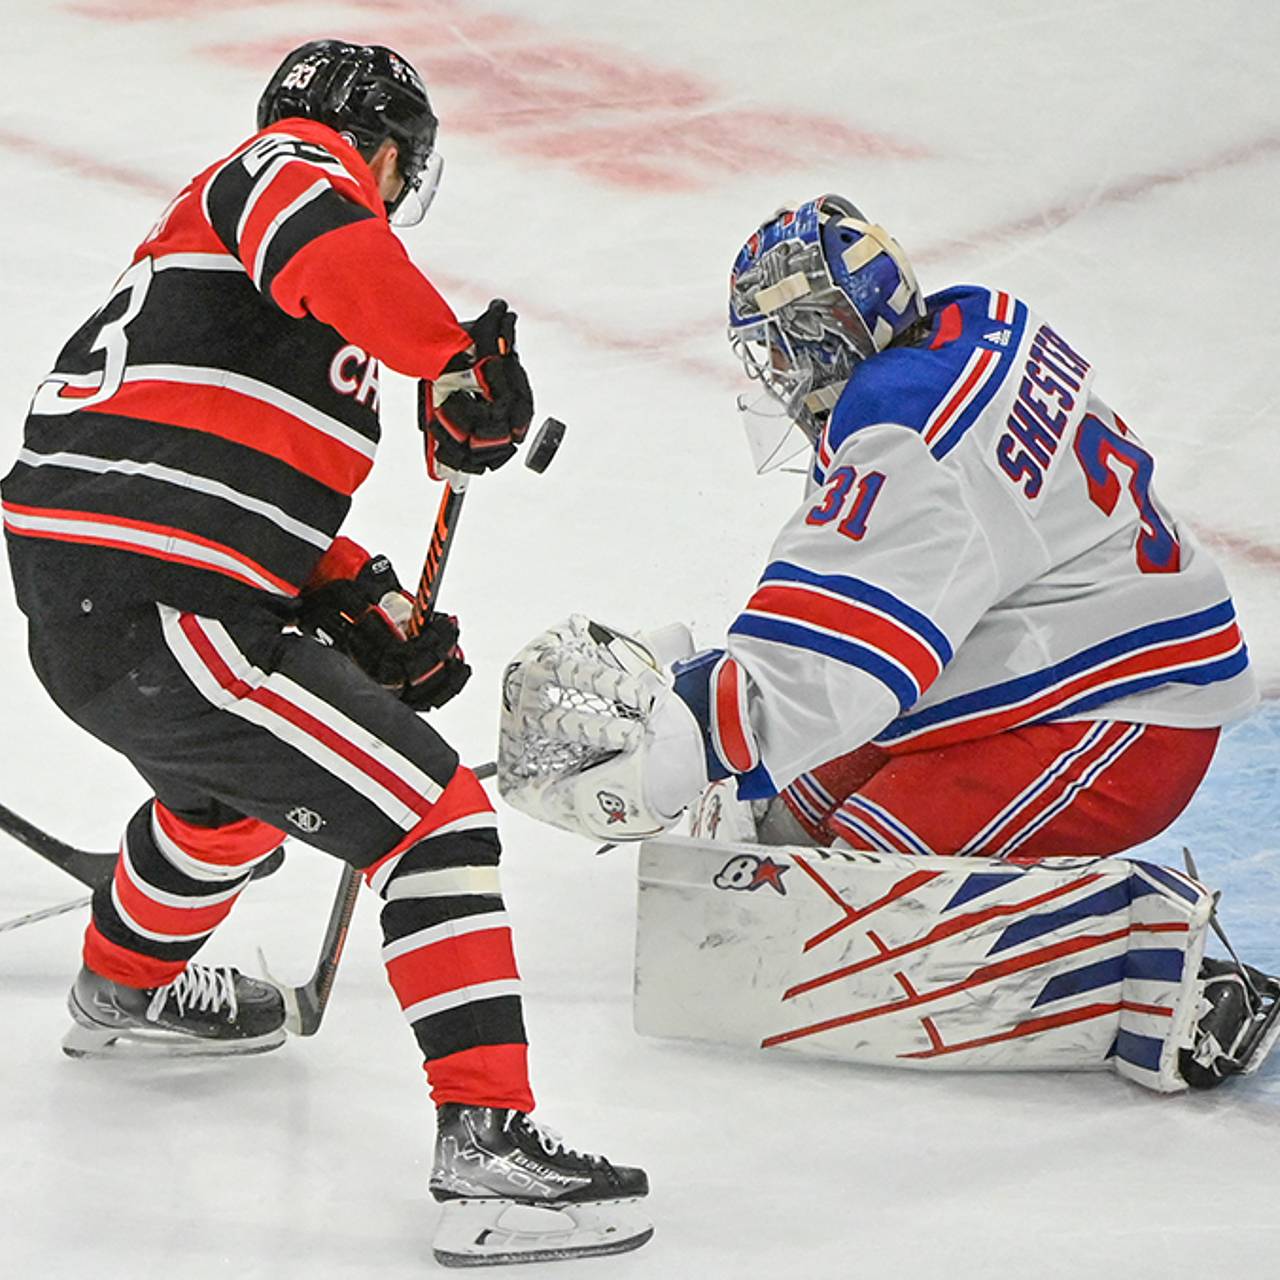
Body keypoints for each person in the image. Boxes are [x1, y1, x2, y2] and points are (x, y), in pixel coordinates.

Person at [0, 40, 649, 1265]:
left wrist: (360, 599)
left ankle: (123, 988)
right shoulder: (292, 168)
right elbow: (340, 253)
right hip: (157, 600)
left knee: (225, 805)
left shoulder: (250, 289)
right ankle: (487, 1149)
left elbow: (215, 470)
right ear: (386, 147)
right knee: (435, 815)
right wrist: (454, 357)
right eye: (398, 167)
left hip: (118, 595)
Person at [495, 193, 1275, 1088]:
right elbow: (874, 579)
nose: (774, 373)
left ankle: (1162, 981)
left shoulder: (911, 433)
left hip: (1128, 714)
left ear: (827, 334)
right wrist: (715, 692)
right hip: (1047, 655)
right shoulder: (957, 333)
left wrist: (698, 730)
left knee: (852, 908)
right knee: (786, 822)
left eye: (779, 347)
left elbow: (842, 661)